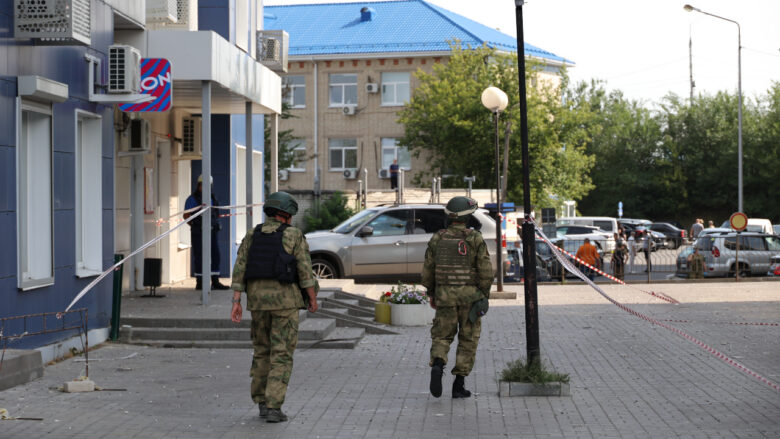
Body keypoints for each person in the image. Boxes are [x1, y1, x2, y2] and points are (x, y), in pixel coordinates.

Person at [230, 191, 319, 423]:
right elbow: (305, 272)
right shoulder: (293, 235)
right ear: (286, 214)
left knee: (262, 351)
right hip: (285, 304)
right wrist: (312, 298)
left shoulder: (253, 234)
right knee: (281, 354)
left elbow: (239, 268)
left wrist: (236, 302)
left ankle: (261, 402)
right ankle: (273, 407)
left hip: (257, 304)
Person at [422, 196, 493, 399]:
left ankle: (438, 364)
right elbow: (486, 271)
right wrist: (484, 295)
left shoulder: (438, 238)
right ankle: (459, 384)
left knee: (441, 336)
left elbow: (428, 271)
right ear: (467, 217)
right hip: (470, 299)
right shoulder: (475, 238)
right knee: (468, 339)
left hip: (445, 297)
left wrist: (432, 293)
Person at [184, 175, 228, 290]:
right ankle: (200, 282)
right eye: (202, 185)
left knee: (215, 255)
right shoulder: (192, 199)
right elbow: (186, 216)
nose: (204, 188)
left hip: (212, 232)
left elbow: (215, 214)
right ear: (198, 185)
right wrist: (195, 226)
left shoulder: (213, 198)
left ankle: (215, 281)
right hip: (198, 232)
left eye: (208, 185)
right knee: (199, 256)